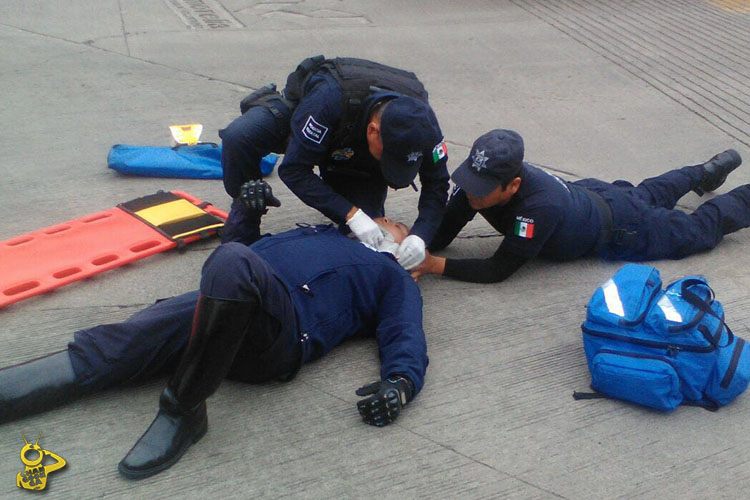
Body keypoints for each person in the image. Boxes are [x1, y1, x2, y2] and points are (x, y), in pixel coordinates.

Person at [0, 183, 427, 479]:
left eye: (396, 225)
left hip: (278, 335)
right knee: (128, 341)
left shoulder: (391, 277)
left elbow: (405, 333)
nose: (386, 220)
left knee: (234, 264)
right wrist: (246, 208)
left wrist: (400, 384)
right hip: (222, 307)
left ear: (403, 246)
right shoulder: (317, 234)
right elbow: (234, 248)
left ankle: (183, 410)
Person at [412, 129, 747, 283]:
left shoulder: (538, 208)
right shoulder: (482, 181)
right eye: (470, 182)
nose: (472, 195)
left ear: (513, 185)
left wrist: (432, 266)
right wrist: (412, 242)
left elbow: (497, 270)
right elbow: (442, 233)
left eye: (482, 191)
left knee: (698, 229)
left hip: (621, 228)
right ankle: (706, 172)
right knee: (649, 192)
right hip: (594, 196)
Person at [219, 56, 450, 270]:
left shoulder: (424, 126)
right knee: (239, 137)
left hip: (354, 159)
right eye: (389, 158)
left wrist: (421, 235)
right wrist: (351, 214)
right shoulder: (328, 99)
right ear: (372, 131)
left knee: (367, 240)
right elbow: (294, 170)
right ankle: (247, 211)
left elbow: (438, 185)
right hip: (315, 120)